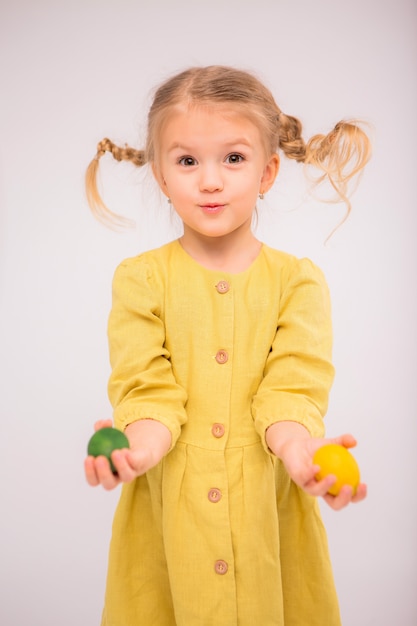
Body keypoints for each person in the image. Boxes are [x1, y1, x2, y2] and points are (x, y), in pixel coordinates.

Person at [84, 65, 370, 626]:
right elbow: (147, 387)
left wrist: (299, 451)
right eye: (187, 160)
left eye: (233, 159)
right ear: (163, 176)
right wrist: (137, 448)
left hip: (268, 508)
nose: (209, 181)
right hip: (172, 515)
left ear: (267, 172)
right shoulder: (140, 279)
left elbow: (292, 389)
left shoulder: (298, 282)